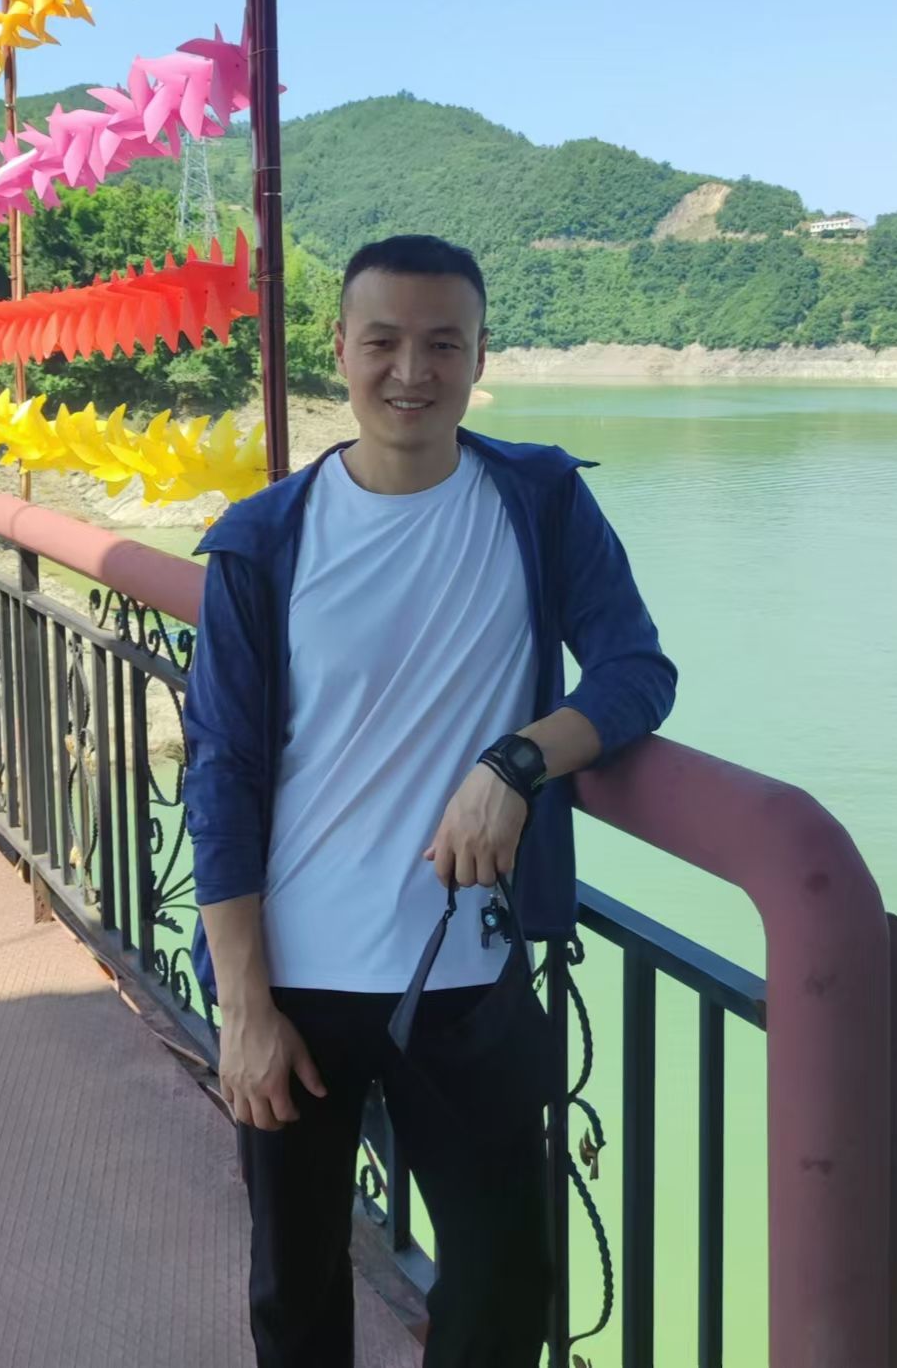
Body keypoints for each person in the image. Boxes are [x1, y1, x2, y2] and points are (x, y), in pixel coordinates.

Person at [183, 234, 676, 1368]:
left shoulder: (538, 501)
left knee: (505, 1286)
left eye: (443, 344)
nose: (412, 371)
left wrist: (518, 761)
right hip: (296, 980)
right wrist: (244, 1008)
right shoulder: (266, 540)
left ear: (480, 355)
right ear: (340, 350)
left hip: (465, 969)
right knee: (296, 1290)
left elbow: (635, 671)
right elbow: (222, 775)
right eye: (384, 342)